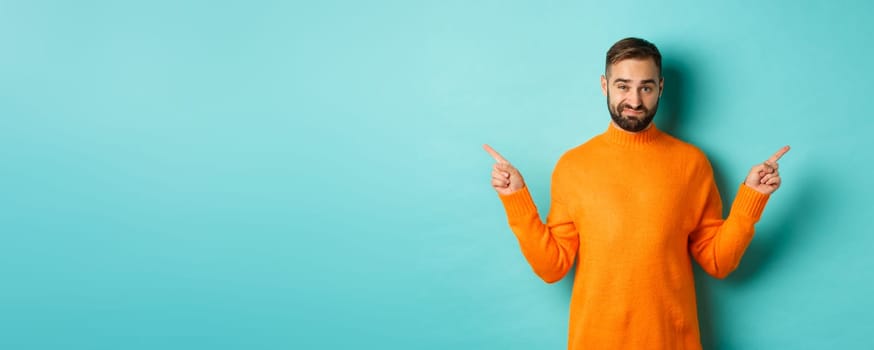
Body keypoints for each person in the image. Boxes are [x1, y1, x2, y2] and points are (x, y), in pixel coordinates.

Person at [483, 37, 789, 350]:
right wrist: (516, 199)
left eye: (646, 87)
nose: (635, 100)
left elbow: (718, 262)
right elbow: (552, 267)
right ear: (604, 86)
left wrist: (751, 198)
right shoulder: (573, 166)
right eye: (623, 86)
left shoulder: (691, 163)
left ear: (661, 87)